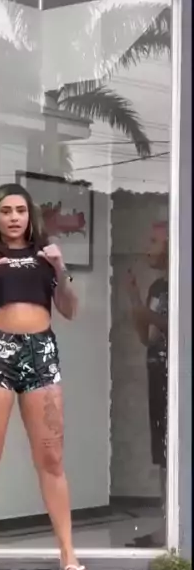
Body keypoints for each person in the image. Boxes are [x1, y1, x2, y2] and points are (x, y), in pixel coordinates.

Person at [0, 182, 91, 570]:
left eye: (20, 211)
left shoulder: (46, 257)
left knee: (51, 458)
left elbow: (71, 309)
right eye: (6, 211)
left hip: (41, 353)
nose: (14, 218)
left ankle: (68, 554)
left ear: (30, 216)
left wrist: (60, 269)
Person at [126, 221, 168, 526]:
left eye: (154, 241)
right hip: (156, 370)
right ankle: (167, 511)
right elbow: (148, 338)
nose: (148, 248)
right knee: (161, 445)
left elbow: (179, 327)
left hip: (175, 375)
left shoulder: (182, 284)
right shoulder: (157, 288)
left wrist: (146, 313)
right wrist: (134, 299)